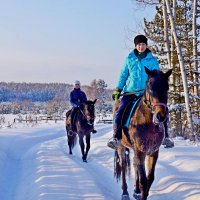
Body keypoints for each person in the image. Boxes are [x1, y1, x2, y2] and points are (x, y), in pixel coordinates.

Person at [107, 34, 173, 149]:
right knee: (121, 110)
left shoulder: (152, 60)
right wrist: (118, 89)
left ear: (146, 45)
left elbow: (156, 77)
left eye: (143, 44)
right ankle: (116, 137)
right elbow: (123, 75)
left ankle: (166, 137)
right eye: (139, 45)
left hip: (147, 93)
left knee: (162, 109)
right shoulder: (129, 59)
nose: (141, 46)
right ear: (135, 46)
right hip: (131, 92)